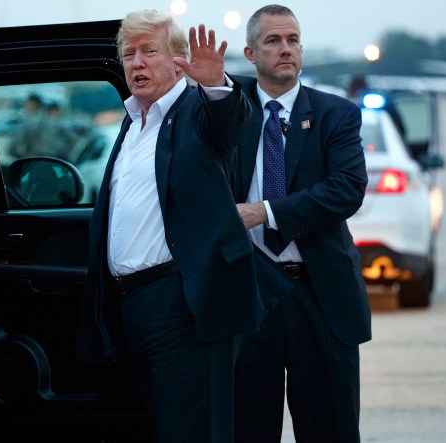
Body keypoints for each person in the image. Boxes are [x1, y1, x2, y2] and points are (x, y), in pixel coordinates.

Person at [76, 9, 259, 443]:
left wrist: (215, 85)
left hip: (182, 304)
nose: (137, 63)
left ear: (178, 62)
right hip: (132, 307)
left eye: (149, 52)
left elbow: (230, 124)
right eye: (129, 54)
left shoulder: (196, 112)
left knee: (193, 432)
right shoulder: (131, 124)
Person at [230, 5, 372, 443]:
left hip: (320, 293)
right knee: (247, 428)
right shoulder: (229, 113)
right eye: (273, 41)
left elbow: (346, 189)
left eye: (293, 40)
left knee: (329, 427)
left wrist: (265, 212)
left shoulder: (336, 114)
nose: (286, 49)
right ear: (251, 53)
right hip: (251, 293)